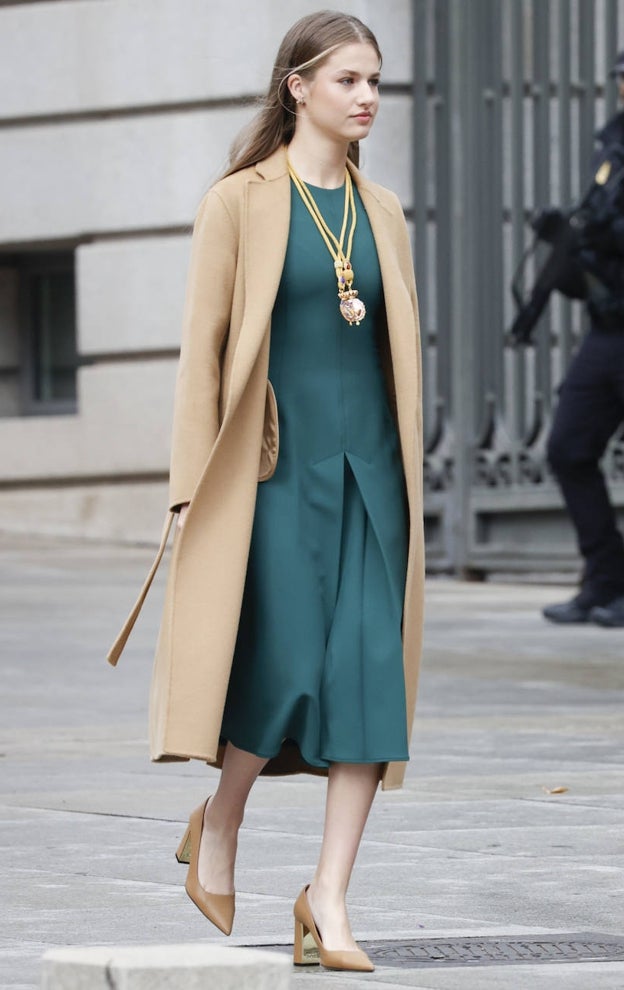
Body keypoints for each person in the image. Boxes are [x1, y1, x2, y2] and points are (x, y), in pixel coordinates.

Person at [108, 10, 424, 973]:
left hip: (374, 471)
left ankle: (327, 899)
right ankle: (222, 818)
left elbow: (394, 356)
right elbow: (200, 358)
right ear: (298, 87)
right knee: (284, 668)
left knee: (372, 681)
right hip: (274, 477)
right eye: (348, 81)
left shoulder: (386, 212)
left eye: (375, 80)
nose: (367, 97)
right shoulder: (237, 203)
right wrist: (187, 489)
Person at [542, 51, 624, 627]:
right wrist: (568, 239)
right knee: (568, 448)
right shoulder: (611, 147)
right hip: (610, 329)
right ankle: (606, 579)